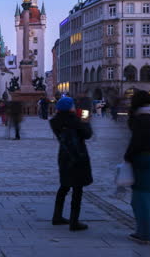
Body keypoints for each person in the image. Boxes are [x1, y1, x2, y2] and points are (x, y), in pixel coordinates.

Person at [125, 91, 150, 243]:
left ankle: (143, 232)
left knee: (141, 197)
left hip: (143, 159)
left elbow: (136, 141)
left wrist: (127, 157)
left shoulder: (141, 119)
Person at [49, 97, 92, 232]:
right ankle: (74, 222)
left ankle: (57, 216)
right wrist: (85, 120)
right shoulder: (75, 120)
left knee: (64, 186)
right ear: (69, 107)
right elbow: (87, 134)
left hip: (64, 155)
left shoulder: (55, 121)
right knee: (77, 189)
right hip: (78, 156)